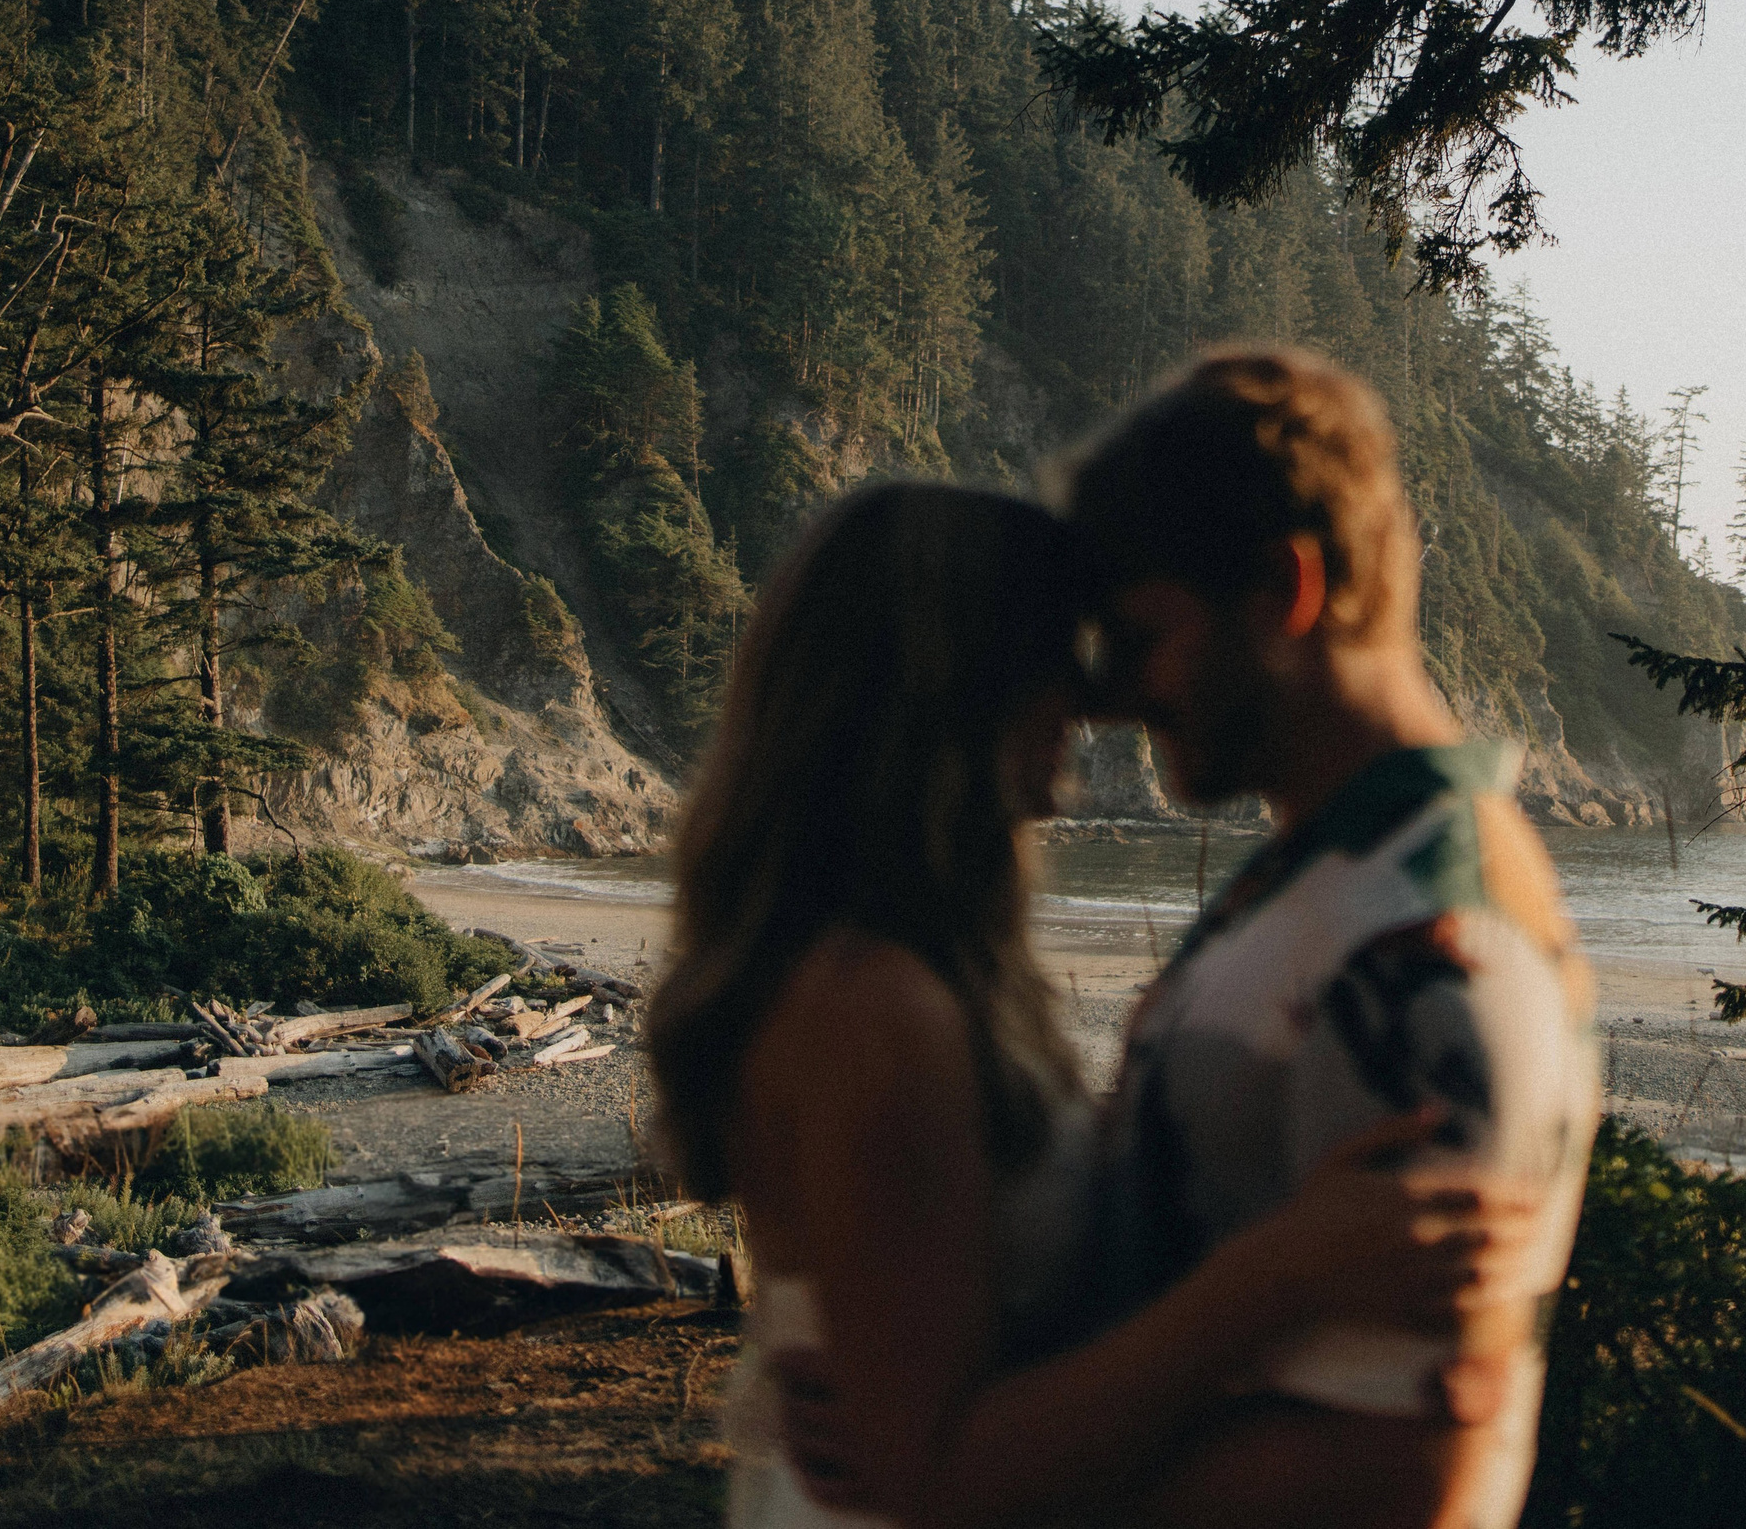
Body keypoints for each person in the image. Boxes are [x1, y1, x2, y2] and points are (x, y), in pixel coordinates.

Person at [643, 481, 1545, 1529]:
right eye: (1058, 655)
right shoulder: (873, 1005)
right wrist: (1279, 1276)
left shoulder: (900, 974)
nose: (1094, 700)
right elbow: (936, 1476)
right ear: (955, 685)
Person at [1045, 347, 1603, 1529]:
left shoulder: (1421, 943)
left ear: (1284, 590)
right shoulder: (1330, 878)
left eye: (1141, 636)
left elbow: (1413, 1480)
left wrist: (980, 1475)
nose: (1115, 695)